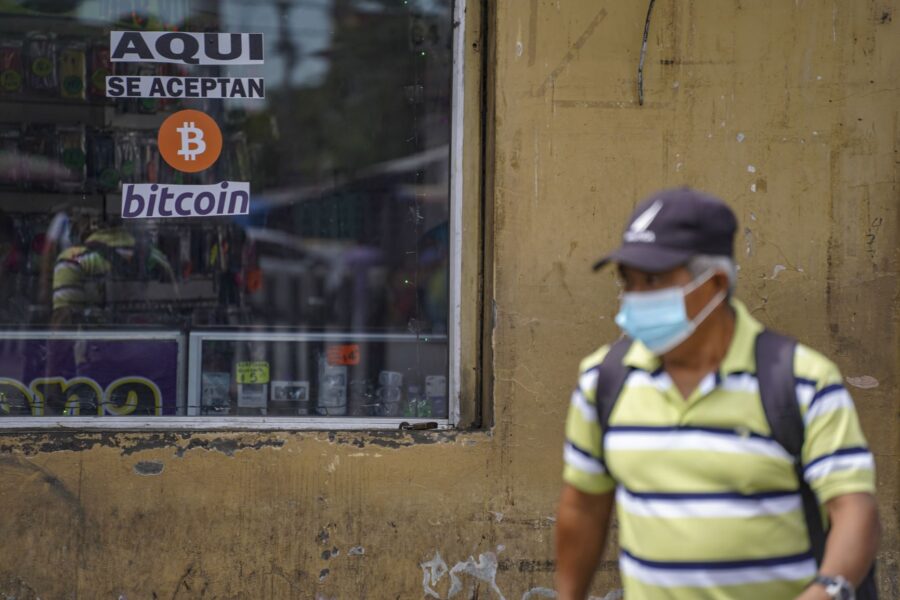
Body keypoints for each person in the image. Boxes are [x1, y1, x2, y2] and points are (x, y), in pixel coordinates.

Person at [555, 188, 880, 600]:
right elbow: (584, 506)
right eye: (628, 281)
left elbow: (854, 509)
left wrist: (826, 590)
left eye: (652, 280)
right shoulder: (603, 380)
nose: (635, 297)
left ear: (715, 284)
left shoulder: (801, 381)